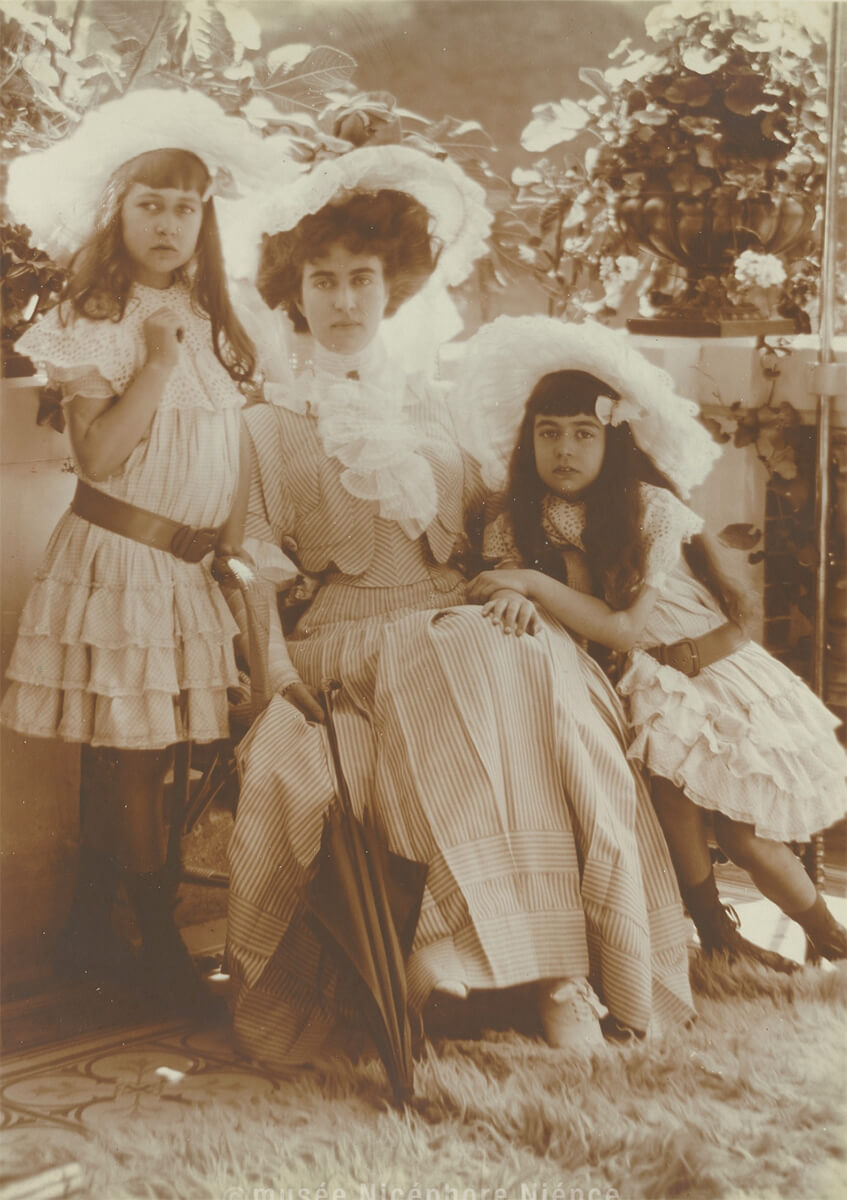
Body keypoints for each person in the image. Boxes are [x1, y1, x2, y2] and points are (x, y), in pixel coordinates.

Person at [222, 143, 695, 1070]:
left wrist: (520, 589)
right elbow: (252, 557)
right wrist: (273, 674)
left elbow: (494, 523)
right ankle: (494, 953)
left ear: (392, 287)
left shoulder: (433, 410)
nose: (345, 300)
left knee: (533, 668)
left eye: (363, 278)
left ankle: (552, 967)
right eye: (324, 280)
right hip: (344, 638)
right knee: (467, 656)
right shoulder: (266, 422)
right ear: (296, 291)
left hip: (462, 618)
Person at [461, 315, 847, 968]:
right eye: (547, 433)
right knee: (671, 805)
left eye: (584, 434)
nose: (564, 450)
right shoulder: (515, 520)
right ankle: (714, 931)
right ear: (527, 440)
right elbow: (501, 590)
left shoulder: (648, 509)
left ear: (614, 442)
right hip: (654, 686)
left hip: (718, 677)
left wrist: (525, 579)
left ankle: (827, 934)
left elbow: (624, 628)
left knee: (744, 835)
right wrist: (510, 590)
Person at [1, 88, 265, 1014]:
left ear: (206, 219)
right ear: (118, 212)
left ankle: (89, 928)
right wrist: (152, 363)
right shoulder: (94, 315)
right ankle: (155, 944)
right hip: (119, 561)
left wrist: (231, 559)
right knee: (132, 760)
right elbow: (100, 454)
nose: (168, 221)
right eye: (149, 202)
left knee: (151, 759)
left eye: (186, 205)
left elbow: (230, 451)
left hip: (186, 568)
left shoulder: (218, 319)